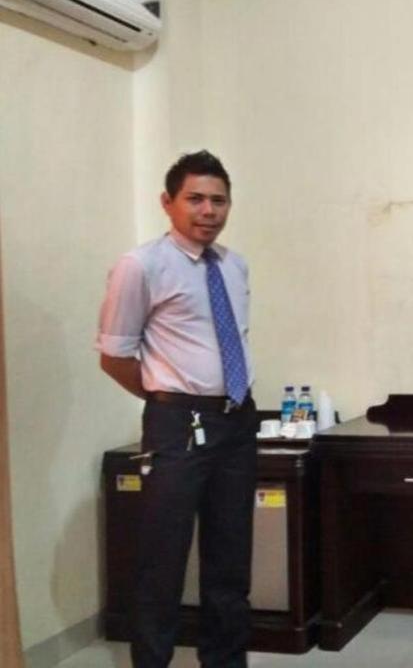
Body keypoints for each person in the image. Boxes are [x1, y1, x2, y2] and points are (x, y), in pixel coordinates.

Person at [96, 150, 256, 668]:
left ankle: (225, 661)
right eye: (195, 199)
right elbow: (114, 356)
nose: (208, 210)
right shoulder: (141, 265)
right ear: (168, 202)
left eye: (218, 200)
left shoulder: (233, 265)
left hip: (237, 420)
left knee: (231, 559)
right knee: (161, 561)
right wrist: (167, 400)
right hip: (177, 423)